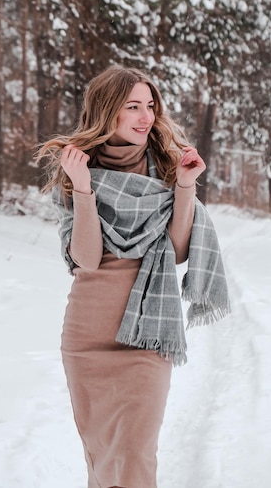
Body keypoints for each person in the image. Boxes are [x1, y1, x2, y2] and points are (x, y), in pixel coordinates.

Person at [37, 64, 230, 488]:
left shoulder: (165, 168)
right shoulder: (76, 172)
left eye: (150, 106)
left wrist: (184, 186)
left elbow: (178, 252)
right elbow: (86, 258)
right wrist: (84, 188)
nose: (146, 117)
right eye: (133, 107)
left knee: (135, 457)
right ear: (108, 112)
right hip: (89, 339)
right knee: (104, 461)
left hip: (147, 335)